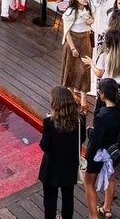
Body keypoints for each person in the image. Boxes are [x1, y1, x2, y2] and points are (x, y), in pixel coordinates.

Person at [86, 28, 120, 151]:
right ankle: (119, 145)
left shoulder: (104, 57)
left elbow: (99, 74)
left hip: (107, 89)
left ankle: (101, 142)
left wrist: (91, 64)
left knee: (103, 116)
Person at [39, 86, 82, 219]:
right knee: (68, 198)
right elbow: (82, 139)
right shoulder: (79, 120)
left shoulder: (49, 123)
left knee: (50, 201)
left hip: (51, 168)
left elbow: (45, 146)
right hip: (70, 166)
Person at [84, 78, 120, 219]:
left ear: (102, 94)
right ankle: (107, 209)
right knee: (111, 178)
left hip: (97, 154)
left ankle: (93, 216)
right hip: (112, 151)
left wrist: (89, 131)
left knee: (89, 184)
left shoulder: (101, 116)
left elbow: (95, 141)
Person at [60, 0, 94, 106]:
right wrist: (73, 48)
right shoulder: (70, 12)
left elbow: (90, 20)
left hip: (85, 41)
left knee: (84, 70)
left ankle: (84, 99)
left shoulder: (88, 9)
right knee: (71, 68)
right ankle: (72, 93)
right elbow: (67, 32)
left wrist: (90, 22)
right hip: (73, 41)